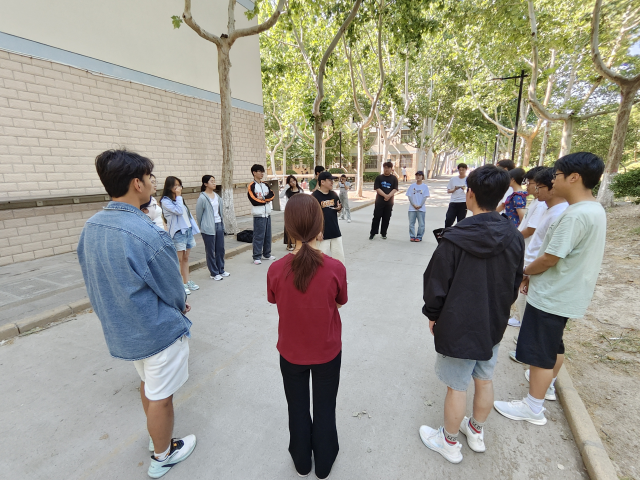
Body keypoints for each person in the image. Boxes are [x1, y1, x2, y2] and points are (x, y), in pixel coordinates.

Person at [77, 150, 196, 479]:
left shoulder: (91, 226)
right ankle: (163, 455)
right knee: (162, 396)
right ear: (137, 184)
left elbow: (93, 279)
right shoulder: (148, 233)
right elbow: (173, 289)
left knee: (149, 386)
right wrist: (180, 303)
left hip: (123, 329)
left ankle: (157, 439)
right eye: (148, 178)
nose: (152, 183)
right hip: (155, 330)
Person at [419, 165, 524, 464]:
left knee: (456, 385)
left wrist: (433, 314)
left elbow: (435, 284)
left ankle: (449, 441)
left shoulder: (454, 238)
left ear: (470, 193)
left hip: (458, 323)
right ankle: (476, 431)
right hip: (493, 322)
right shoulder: (514, 236)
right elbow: (515, 282)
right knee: (484, 379)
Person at [494, 152, 606, 426]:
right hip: (566, 292)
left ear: (574, 177)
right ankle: (548, 384)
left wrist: (524, 273)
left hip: (552, 294)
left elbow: (549, 258)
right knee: (553, 344)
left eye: (557, 175)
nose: (553, 181)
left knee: (540, 352)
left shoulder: (575, 215)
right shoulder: (593, 209)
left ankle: (533, 406)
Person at [267, 194, 348, 480]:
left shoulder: (276, 269)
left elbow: (276, 300)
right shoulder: (335, 268)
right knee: (325, 407)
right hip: (327, 351)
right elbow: (338, 303)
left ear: (289, 229)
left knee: (297, 407)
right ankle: (323, 463)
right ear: (320, 226)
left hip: (291, 352)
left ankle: (302, 461)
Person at [508, 167, 568, 342]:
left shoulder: (559, 213)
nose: (533, 189)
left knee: (531, 315)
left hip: (535, 269)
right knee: (523, 307)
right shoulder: (548, 208)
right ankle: (524, 343)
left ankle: (526, 346)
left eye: (538, 186)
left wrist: (527, 272)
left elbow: (549, 255)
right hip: (530, 267)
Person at [507, 166, 547, 327]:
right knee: (521, 290)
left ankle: (522, 323)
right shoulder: (537, 202)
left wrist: (513, 239)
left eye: (530, 183)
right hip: (525, 251)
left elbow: (531, 229)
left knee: (523, 292)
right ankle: (519, 318)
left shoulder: (542, 205)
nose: (528, 186)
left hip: (530, 254)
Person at [161, 176, 200, 295]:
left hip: (187, 231)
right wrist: (178, 196)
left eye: (179, 185)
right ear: (169, 187)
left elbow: (186, 214)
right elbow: (178, 211)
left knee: (186, 258)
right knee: (178, 259)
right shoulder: (165, 201)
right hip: (178, 233)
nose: (178, 188)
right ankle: (180, 285)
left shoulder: (179, 199)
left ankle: (186, 281)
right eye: (175, 185)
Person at [196, 175, 229, 281]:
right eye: (212, 181)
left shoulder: (217, 196)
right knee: (210, 251)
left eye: (214, 181)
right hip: (208, 227)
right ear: (205, 184)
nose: (214, 183)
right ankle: (214, 273)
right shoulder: (202, 198)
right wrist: (203, 227)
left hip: (219, 224)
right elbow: (199, 215)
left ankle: (221, 270)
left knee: (220, 249)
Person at [312, 171, 345, 265]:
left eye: (332, 180)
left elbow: (339, 209)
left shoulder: (334, 194)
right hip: (322, 234)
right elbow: (312, 216)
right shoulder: (314, 196)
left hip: (335, 232)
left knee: (339, 259)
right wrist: (317, 232)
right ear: (322, 182)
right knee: (320, 260)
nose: (332, 182)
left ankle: (339, 274)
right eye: (330, 180)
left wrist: (339, 209)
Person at [248, 164, 276, 265]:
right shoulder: (252, 186)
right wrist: (266, 200)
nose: (262, 174)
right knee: (259, 236)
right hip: (258, 215)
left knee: (268, 235)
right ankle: (256, 256)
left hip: (267, 214)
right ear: (254, 173)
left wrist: (263, 198)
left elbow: (272, 195)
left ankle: (267, 254)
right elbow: (254, 200)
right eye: (259, 171)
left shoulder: (265, 185)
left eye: (262, 172)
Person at [369, 162, 399, 240]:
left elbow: (395, 188)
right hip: (379, 201)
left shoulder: (394, 178)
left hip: (389, 202)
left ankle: (383, 233)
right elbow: (377, 188)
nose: (386, 169)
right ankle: (373, 233)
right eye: (385, 167)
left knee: (386, 218)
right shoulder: (379, 178)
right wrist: (385, 195)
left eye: (388, 168)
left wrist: (389, 196)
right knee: (376, 217)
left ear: (391, 169)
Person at [406, 171, 430, 242]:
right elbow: (409, 196)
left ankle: (419, 236)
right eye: (417, 175)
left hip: (421, 208)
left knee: (421, 224)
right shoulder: (412, 186)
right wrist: (413, 205)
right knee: (411, 223)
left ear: (422, 176)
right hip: (412, 208)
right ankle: (412, 236)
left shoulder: (425, 187)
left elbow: (425, 197)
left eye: (420, 175)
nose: (418, 177)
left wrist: (420, 205)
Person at [281, 175, 304, 250]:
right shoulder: (288, 191)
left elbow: (303, 200)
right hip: (289, 211)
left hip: (298, 211)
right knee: (289, 227)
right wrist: (286, 187)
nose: (293, 182)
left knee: (297, 227)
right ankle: (289, 244)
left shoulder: (300, 190)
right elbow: (281, 196)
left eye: (293, 180)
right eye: (290, 182)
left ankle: (297, 243)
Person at [444, 163, 468, 228]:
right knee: (449, 219)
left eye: (463, 170)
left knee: (461, 221)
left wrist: (465, 189)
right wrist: (454, 189)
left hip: (463, 202)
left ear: (466, 170)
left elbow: (471, 191)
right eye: (460, 170)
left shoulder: (468, 179)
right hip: (454, 201)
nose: (461, 171)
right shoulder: (453, 179)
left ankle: (459, 233)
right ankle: (447, 231)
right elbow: (448, 191)